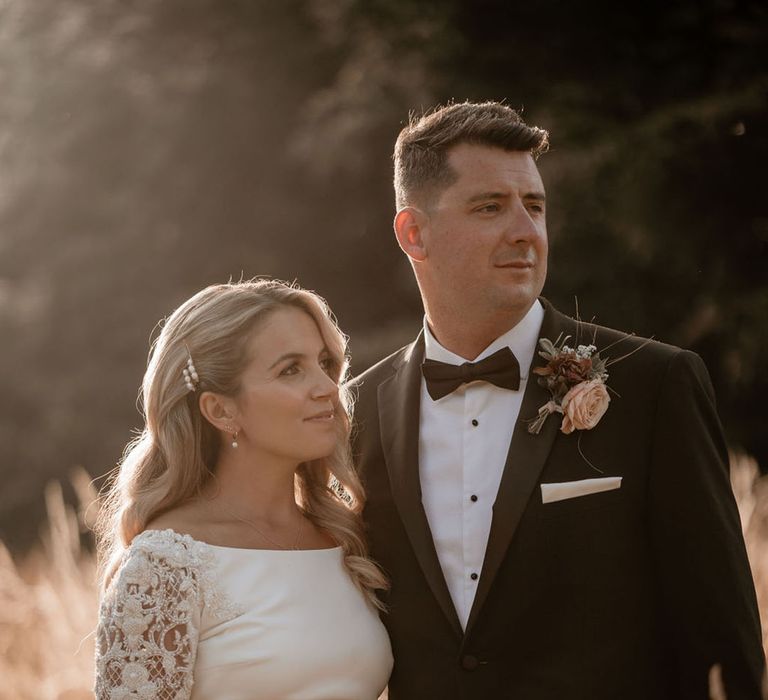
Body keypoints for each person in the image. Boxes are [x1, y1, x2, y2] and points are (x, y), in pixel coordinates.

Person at [350, 101, 765, 699]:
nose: (525, 231)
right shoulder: (356, 413)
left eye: (534, 206)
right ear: (415, 233)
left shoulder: (654, 385)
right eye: (490, 207)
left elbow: (721, 639)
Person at [94, 279, 393, 700]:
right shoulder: (166, 565)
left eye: (325, 363)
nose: (327, 387)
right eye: (291, 369)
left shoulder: (345, 538)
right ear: (220, 409)